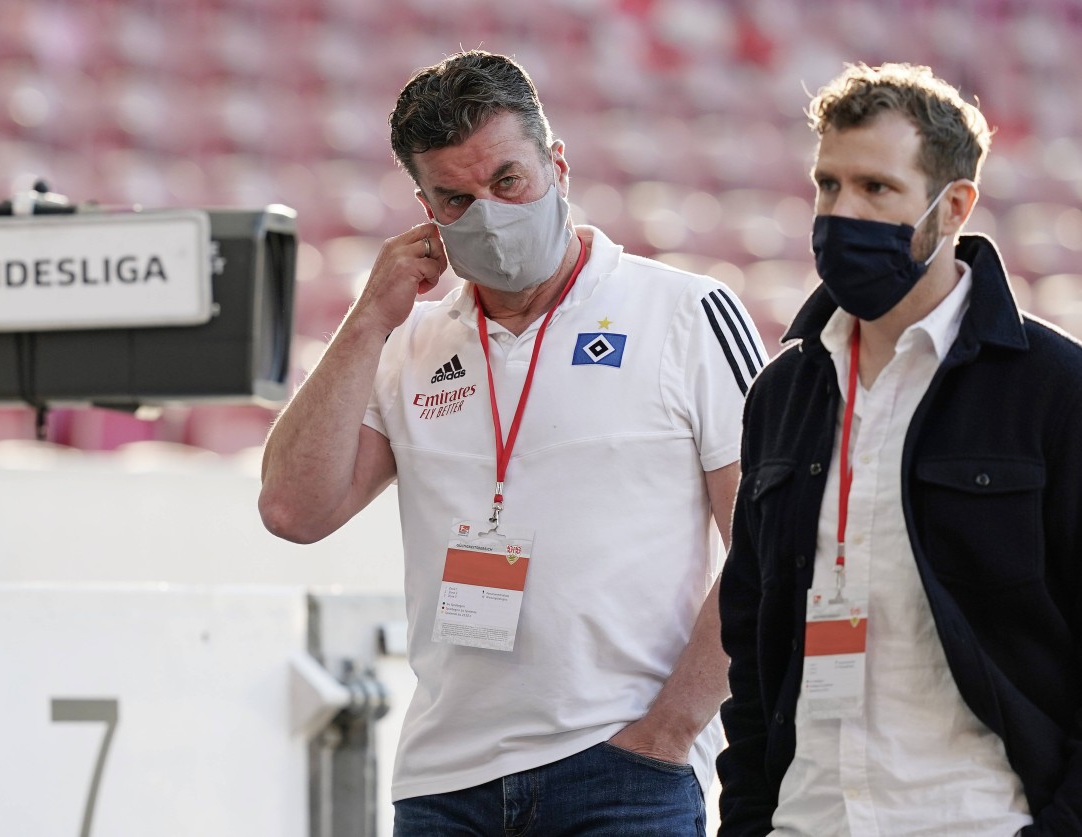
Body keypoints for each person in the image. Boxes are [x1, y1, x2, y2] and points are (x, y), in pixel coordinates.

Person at [260, 49, 766, 835]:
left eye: (507, 181)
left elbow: (771, 541)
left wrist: (670, 731)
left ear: (556, 164)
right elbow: (293, 507)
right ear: (423, 206)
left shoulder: (684, 312)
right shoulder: (409, 340)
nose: (489, 213)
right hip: (443, 781)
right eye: (456, 199)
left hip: (624, 769)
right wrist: (367, 321)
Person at [717, 61, 1082, 836]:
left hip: (975, 818)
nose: (840, 213)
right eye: (827, 185)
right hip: (807, 818)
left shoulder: (1055, 389)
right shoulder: (781, 395)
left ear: (953, 207)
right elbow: (752, 649)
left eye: (876, 189)